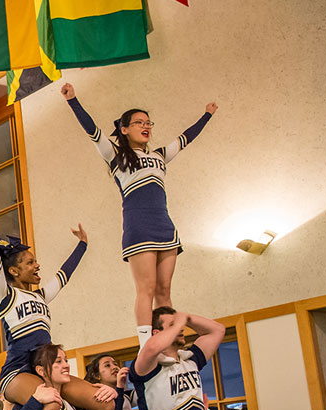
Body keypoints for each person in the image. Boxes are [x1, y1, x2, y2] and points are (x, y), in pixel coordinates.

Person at [61, 82, 218, 341]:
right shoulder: (116, 155)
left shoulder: (159, 156)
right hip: (139, 226)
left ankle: (170, 340)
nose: (146, 126)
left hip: (164, 225)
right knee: (146, 288)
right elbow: (93, 131)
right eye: (138, 122)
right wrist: (73, 101)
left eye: (148, 122)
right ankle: (147, 343)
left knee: (164, 291)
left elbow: (185, 138)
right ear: (124, 129)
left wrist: (207, 115)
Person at [0, 195, 114, 410]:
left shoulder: (41, 296)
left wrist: (82, 245)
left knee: (105, 405)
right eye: (30, 262)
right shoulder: (5, 296)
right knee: (52, 403)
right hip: (18, 372)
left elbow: (64, 274)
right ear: (13, 270)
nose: (37, 265)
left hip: (48, 370)